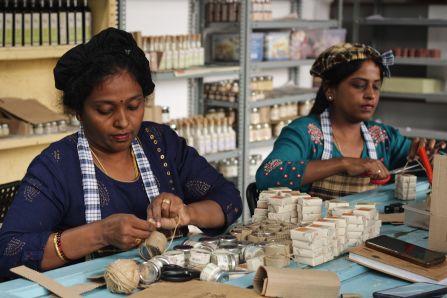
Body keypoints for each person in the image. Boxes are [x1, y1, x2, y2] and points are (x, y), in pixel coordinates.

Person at [0, 27, 242, 278]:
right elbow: (7, 253)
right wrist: (99, 234)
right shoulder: (57, 166)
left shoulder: (160, 144)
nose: (123, 122)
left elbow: (229, 199)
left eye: (135, 106)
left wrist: (187, 213)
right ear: (79, 112)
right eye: (105, 110)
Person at [256, 43, 446, 200]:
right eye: (359, 85)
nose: (371, 95)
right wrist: (343, 163)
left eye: (376, 87)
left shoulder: (383, 138)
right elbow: (268, 175)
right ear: (330, 90)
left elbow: (432, 169)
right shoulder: (305, 133)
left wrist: (430, 158)